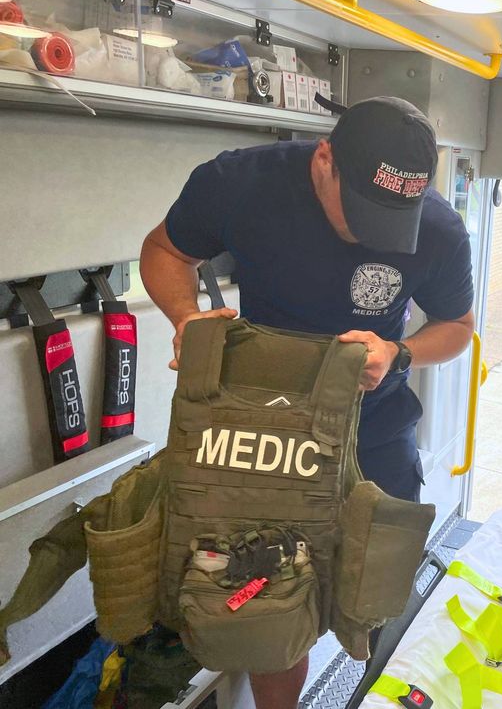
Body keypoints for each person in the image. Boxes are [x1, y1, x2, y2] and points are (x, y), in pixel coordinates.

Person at [140, 96, 475, 709]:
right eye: (362, 212)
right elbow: (164, 251)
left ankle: (370, 683)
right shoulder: (239, 183)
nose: (373, 234)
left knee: (375, 589)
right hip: (267, 431)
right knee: (270, 595)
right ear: (325, 160)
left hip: (372, 426)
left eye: (391, 219)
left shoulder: (440, 230)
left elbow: (457, 327)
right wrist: (187, 318)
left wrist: (398, 353)